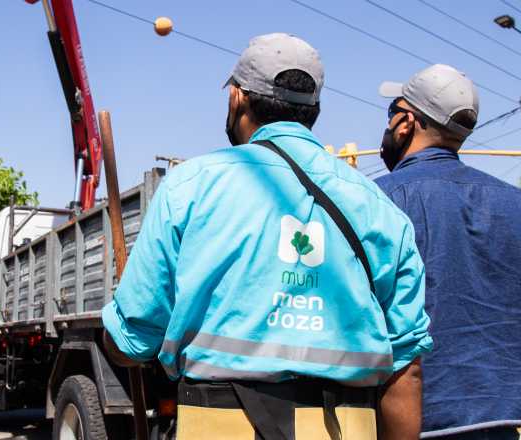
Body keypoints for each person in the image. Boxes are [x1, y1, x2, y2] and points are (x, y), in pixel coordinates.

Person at [101, 33, 432, 440]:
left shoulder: (191, 187)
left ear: (237, 98)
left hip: (219, 426)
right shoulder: (381, 209)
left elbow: (133, 340)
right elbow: (406, 369)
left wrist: (116, 338)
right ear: (314, 108)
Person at [373, 64, 521, 440]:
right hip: (501, 425)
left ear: (406, 123)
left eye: (391, 113)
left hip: (405, 422)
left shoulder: (378, 200)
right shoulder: (517, 205)